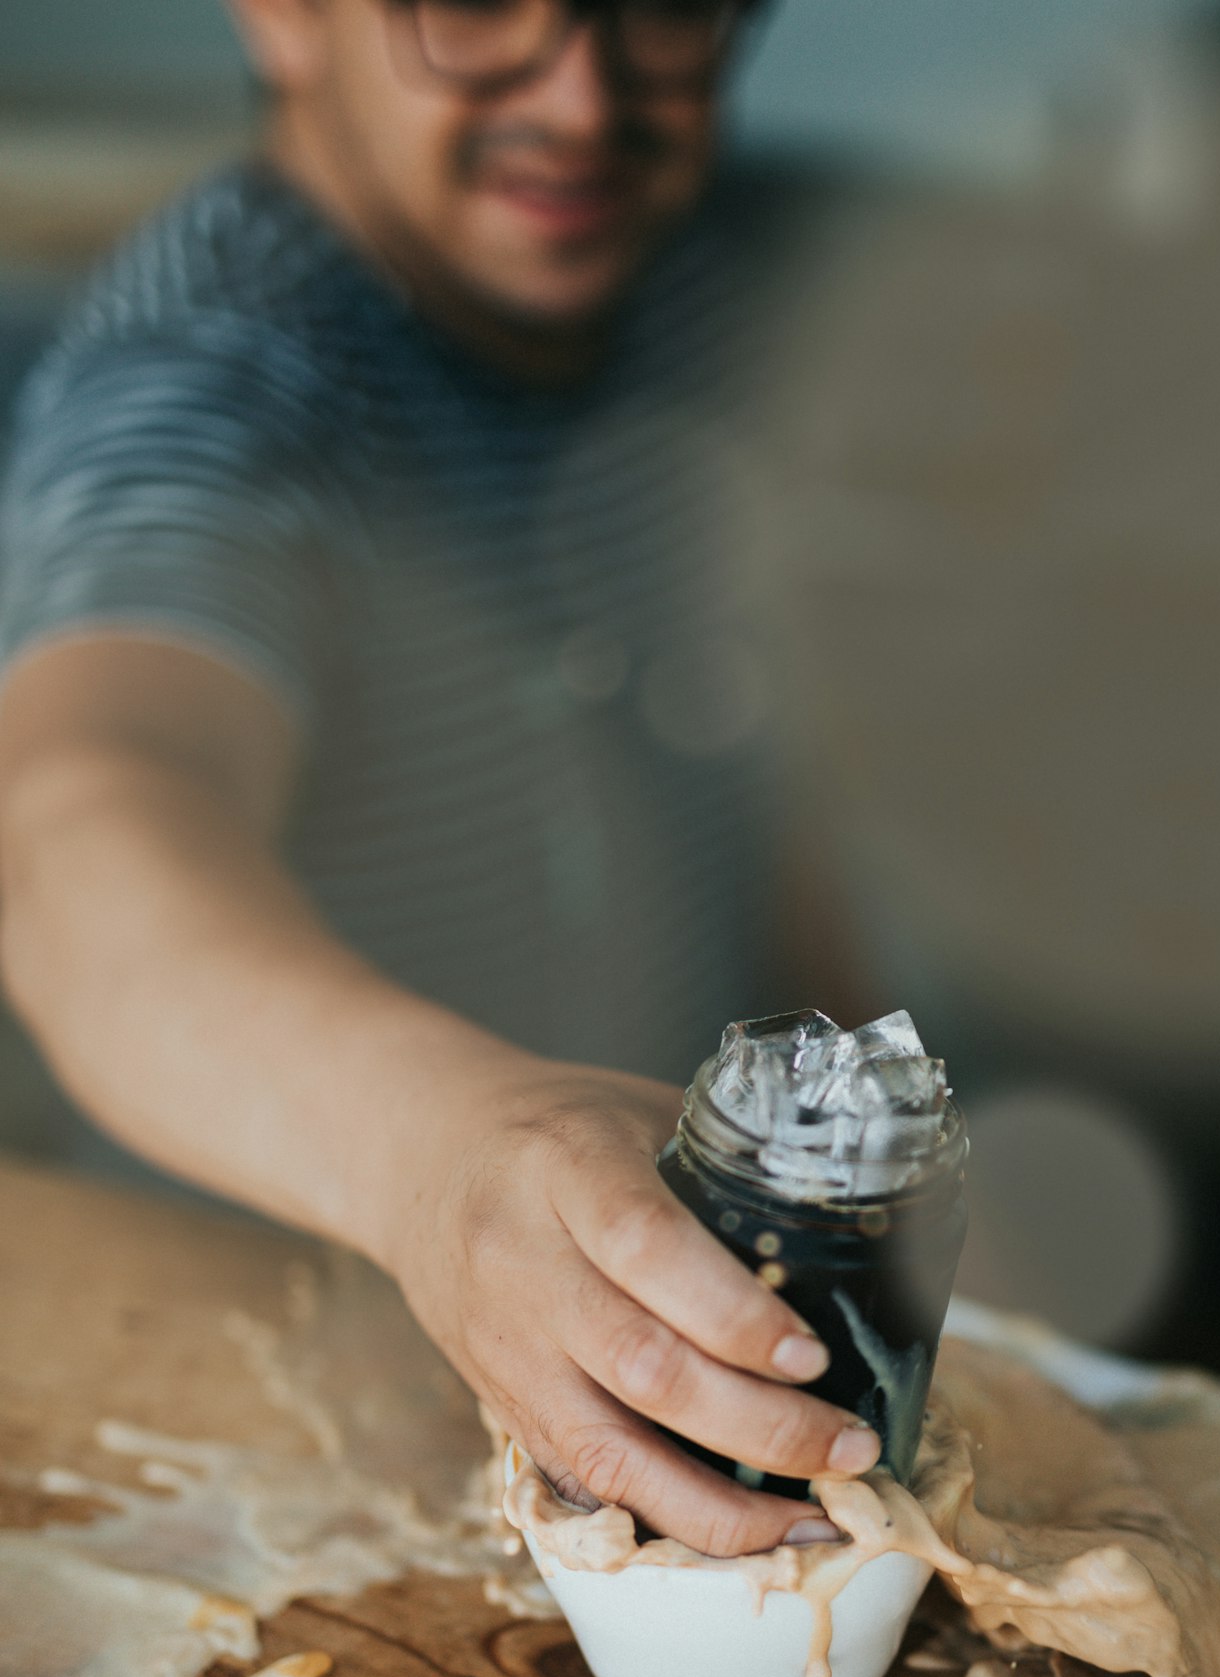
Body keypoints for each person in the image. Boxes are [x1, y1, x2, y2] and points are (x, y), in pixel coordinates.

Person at [0, 0, 883, 1558]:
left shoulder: (686, 300)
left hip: (684, 1366)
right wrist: (440, 1158)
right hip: (268, 1451)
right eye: (475, 6)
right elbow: (79, 825)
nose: (582, 98)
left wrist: (882, 1162)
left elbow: (761, 788)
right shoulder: (217, 375)